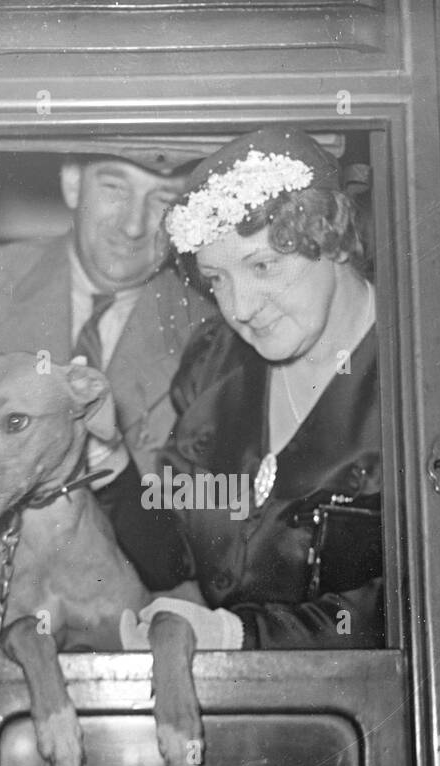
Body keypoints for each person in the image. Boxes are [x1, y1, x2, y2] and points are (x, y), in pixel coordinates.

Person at [101, 126, 384, 650]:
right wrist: (110, 461)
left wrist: (236, 634)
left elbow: (415, 605)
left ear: (335, 239)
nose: (239, 308)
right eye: (217, 279)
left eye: (262, 266)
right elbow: (173, 555)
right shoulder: (214, 362)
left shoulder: (418, 376)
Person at [0, 142, 218, 477]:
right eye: (114, 188)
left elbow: (201, 506)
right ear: (73, 184)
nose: (133, 226)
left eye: (163, 200)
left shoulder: (212, 334)